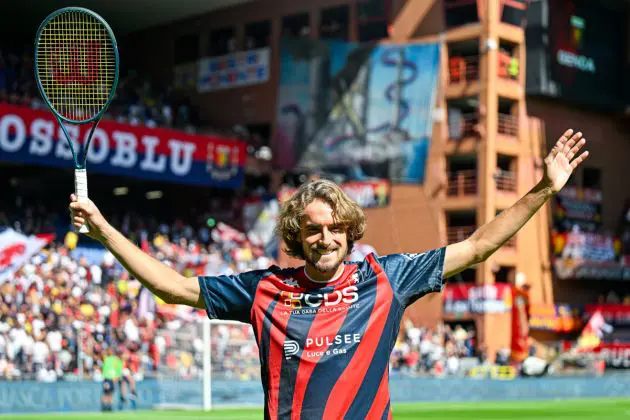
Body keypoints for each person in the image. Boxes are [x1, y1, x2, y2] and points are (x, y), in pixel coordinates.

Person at [70, 129, 588, 419]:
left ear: (350, 232)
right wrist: (103, 230)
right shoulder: (265, 290)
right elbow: (173, 287)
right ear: (298, 235)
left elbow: (477, 246)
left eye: (336, 228)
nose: (326, 238)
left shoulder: (388, 279)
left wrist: (544, 188)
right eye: (315, 230)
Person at [101, 347, 123, 412]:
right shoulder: (106, 358)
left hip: (112, 378)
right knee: (106, 392)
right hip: (106, 378)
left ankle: (109, 406)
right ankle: (105, 406)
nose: (109, 352)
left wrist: (117, 377)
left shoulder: (116, 359)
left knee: (110, 393)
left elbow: (119, 369)